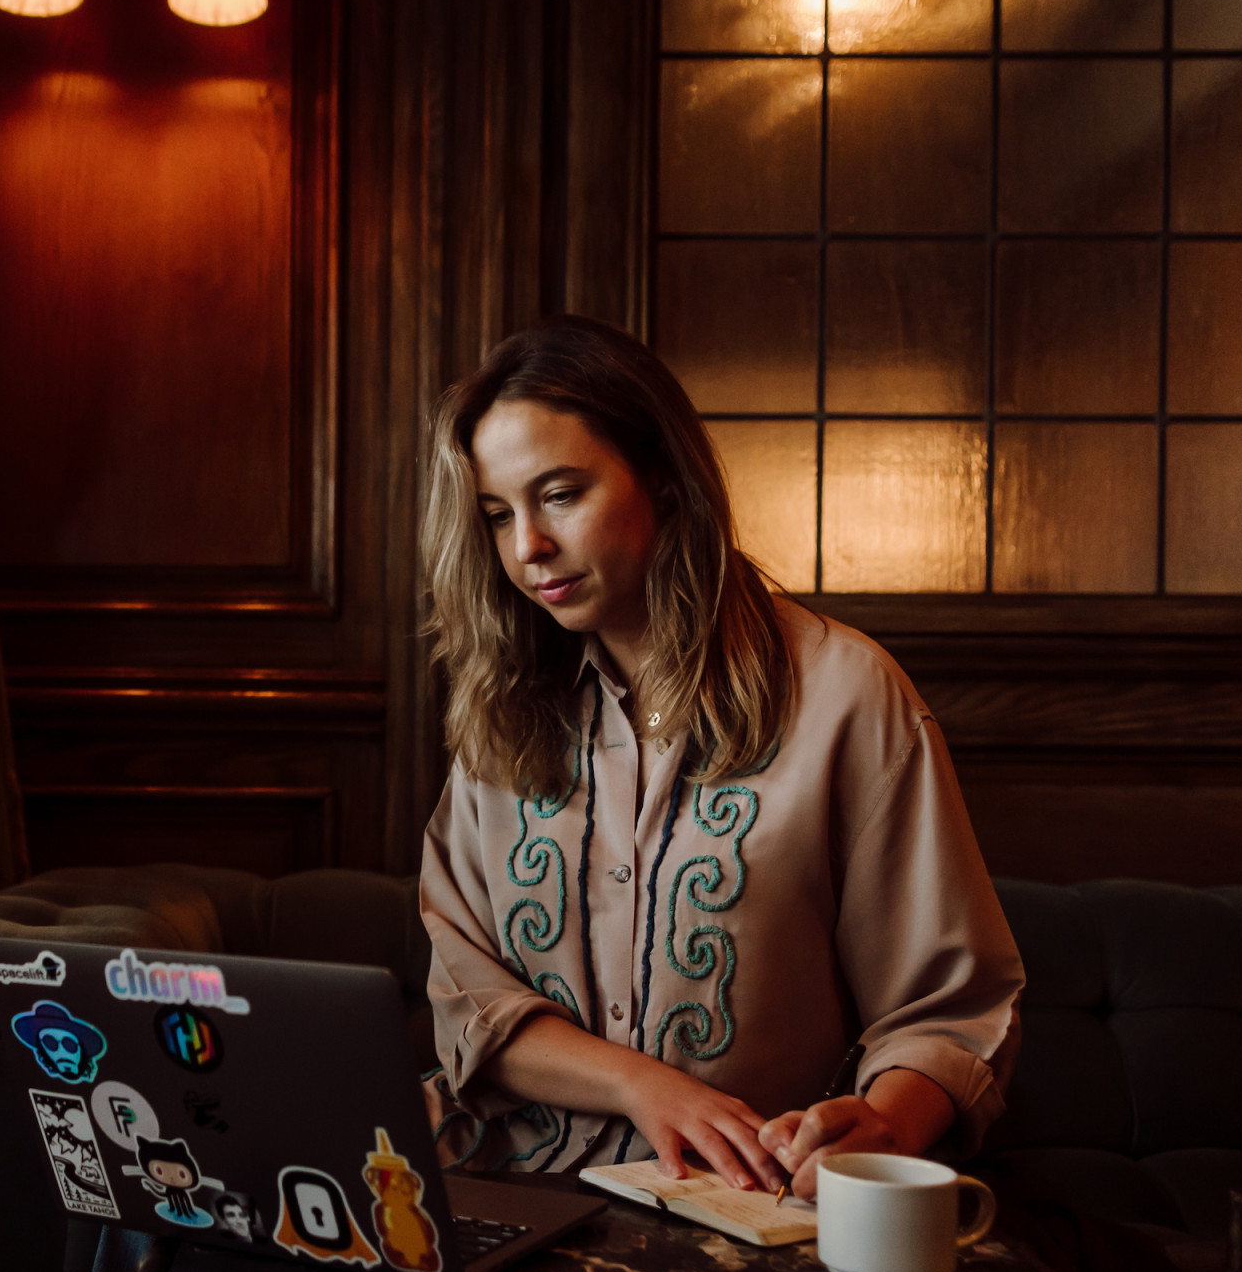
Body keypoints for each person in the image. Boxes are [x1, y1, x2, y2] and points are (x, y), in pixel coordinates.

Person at [418, 315, 1023, 1200]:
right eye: (498, 514)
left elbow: (951, 1014)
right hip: (507, 1192)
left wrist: (889, 1123)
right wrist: (643, 1085)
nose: (527, 549)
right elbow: (467, 993)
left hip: (745, 1215)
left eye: (560, 494)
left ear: (663, 477)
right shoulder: (502, 709)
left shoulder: (847, 696)